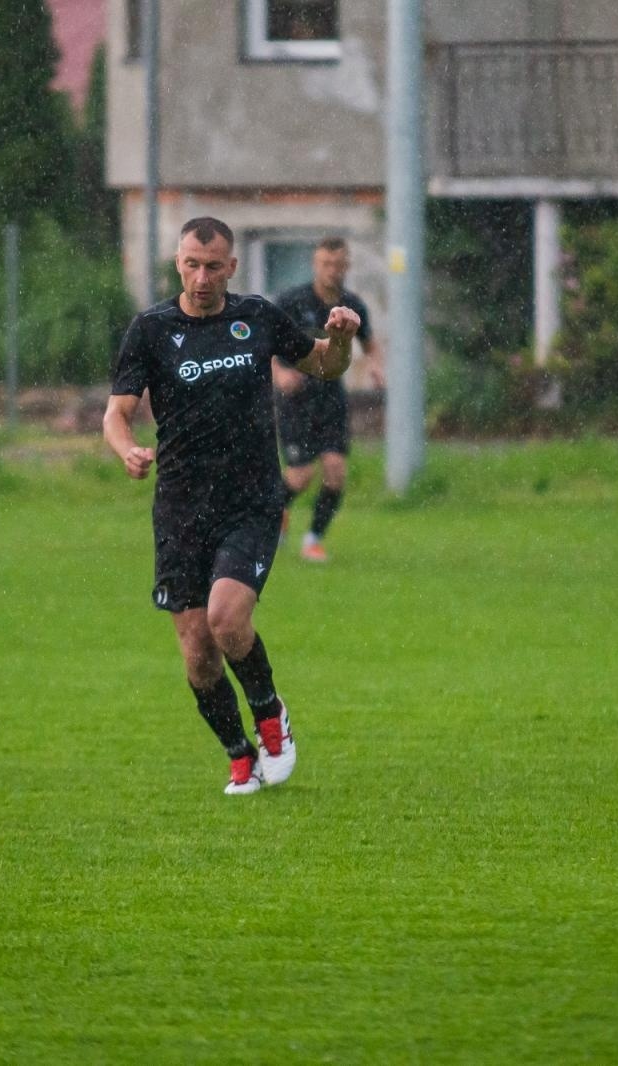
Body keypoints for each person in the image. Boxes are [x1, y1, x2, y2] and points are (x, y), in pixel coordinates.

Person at [103, 217, 360, 795]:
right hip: (179, 509)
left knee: (226, 619)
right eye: (191, 264)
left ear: (232, 267)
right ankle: (238, 752)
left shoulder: (257, 317)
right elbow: (116, 413)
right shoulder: (150, 329)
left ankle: (271, 718)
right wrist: (127, 450)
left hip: (251, 500)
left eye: (213, 265)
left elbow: (324, 364)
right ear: (177, 262)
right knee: (198, 655)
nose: (201, 277)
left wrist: (341, 337)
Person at [271, 237, 384, 563]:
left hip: (331, 396)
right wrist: (279, 373)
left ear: (347, 267)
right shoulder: (292, 302)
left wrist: (376, 365)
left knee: (336, 470)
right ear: (315, 265)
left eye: (338, 264)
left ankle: (313, 540)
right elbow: (267, 342)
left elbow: (370, 343)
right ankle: (277, 511)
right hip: (295, 399)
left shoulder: (353, 306)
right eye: (326, 264)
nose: (332, 271)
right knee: (300, 475)